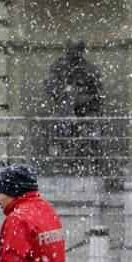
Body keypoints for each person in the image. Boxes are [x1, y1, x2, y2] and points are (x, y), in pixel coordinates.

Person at [45, 37, 103, 172]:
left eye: (75, 50)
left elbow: (98, 93)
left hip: (85, 111)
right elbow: (51, 86)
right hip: (64, 111)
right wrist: (66, 97)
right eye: (70, 50)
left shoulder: (89, 69)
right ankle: (59, 163)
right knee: (55, 127)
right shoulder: (59, 68)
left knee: (91, 131)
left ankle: (88, 163)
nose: (72, 53)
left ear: (81, 51)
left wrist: (82, 100)